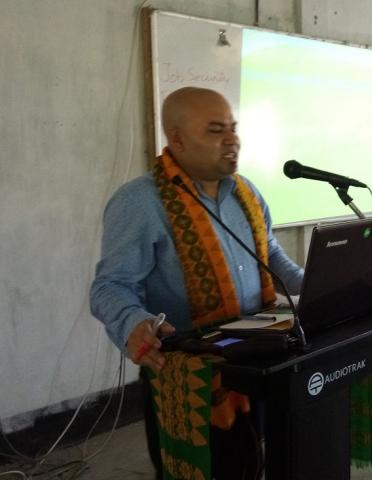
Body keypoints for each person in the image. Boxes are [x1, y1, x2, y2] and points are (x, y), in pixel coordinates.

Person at [90, 87, 303, 480]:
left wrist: (315, 284)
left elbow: (269, 254)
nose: (232, 140)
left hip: (259, 360)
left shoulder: (246, 192)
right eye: (216, 130)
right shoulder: (141, 202)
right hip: (190, 378)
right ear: (177, 139)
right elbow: (110, 286)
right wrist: (132, 321)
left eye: (233, 128)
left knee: (255, 463)